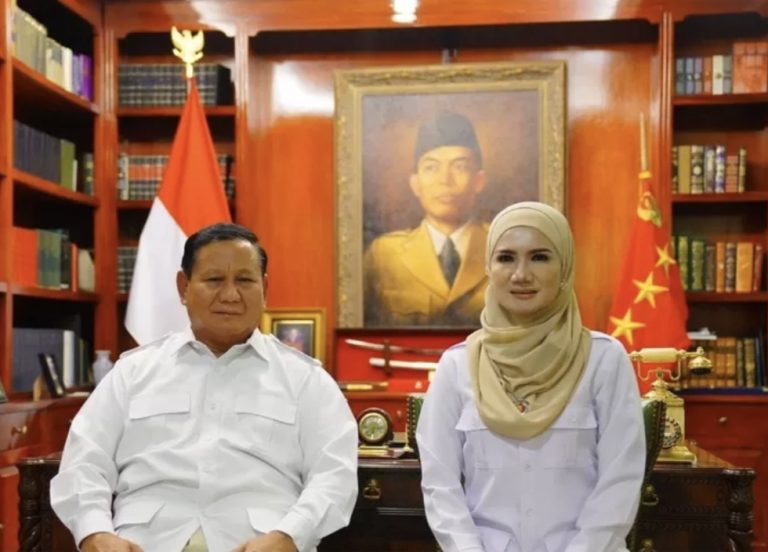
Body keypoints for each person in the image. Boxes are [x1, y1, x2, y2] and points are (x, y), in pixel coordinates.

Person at [50, 223, 358, 552]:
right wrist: (95, 533)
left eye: (245, 280)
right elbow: (84, 463)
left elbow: (334, 476)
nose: (230, 295)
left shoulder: (306, 380)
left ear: (265, 288)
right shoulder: (132, 373)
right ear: (183, 287)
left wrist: (291, 537)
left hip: (260, 543)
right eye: (214, 280)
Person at [416, 202, 646, 552]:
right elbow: (440, 485)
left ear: (564, 266)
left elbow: (620, 480)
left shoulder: (604, 359)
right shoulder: (456, 366)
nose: (521, 274)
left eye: (539, 257)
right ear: (489, 268)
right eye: (506, 258)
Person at [364, 110, 488, 327]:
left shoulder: (504, 247)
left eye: (459, 167)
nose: (445, 180)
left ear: (479, 181)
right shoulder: (384, 254)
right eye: (431, 167)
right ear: (415, 183)